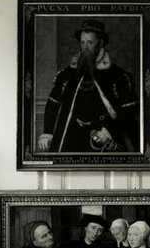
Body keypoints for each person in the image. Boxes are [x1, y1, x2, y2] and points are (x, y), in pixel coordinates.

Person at [37, 20, 139, 154]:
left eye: (90, 42)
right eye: (82, 42)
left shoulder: (118, 76)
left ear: (100, 43)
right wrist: (47, 133)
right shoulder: (67, 74)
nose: (85, 47)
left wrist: (108, 131)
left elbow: (130, 109)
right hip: (72, 135)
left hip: (106, 136)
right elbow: (53, 103)